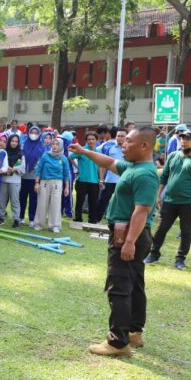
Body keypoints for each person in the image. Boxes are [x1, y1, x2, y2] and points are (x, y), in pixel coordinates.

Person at [68, 127, 159, 357]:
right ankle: (134, 332)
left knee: (118, 287)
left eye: (128, 141)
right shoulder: (134, 167)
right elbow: (109, 162)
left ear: (144, 146)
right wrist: (84, 151)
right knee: (135, 284)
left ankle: (118, 342)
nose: (123, 145)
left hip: (128, 235)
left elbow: (141, 211)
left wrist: (129, 242)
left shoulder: (145, 174)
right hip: (130, 235)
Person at [144, 129, 191, 270]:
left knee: (186, 232)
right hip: (169, 200)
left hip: (189, 202)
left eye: (187, 139)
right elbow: (164, 177)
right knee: (161, 229)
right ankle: (154, 254)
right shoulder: (173, 156)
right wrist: (158, 196)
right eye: (182, 138)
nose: (183, 141)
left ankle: (180, 259)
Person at [33, 137, 70, 233]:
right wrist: (37, 183)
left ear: (61, 146)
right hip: (44, 182)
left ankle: (54, 225)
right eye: (53, 144)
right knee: (42, 203)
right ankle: (38, 224)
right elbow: (39, 170)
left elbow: (66, 174)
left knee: (56, 204)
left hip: (58, 183)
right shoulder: (45, 156)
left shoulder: (63, 158)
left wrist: (67, 187)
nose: (54, 146)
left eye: (57, 144)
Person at [70, 131, 101, 223]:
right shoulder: (82, 150)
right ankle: (78, 219)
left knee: (93, 202)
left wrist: (101, 179)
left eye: (93, 139)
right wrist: (77, 167)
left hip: (95, 181)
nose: (91, 141)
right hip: (82, 180)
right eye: (89, 139)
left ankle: (92, 220)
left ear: (96, 140)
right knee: (80, 201)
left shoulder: (99, 151)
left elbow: (100, 166)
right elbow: (71, 157)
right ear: (86, 141)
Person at [97, 128, 127, 220]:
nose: (120, 138)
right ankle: (96, 219)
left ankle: (119, 220)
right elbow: (103, 165)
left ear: (126, 137)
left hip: (124, 180)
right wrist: (101, 179)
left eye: (122, 136)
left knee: (122, 202)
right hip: (110, 180)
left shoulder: (130, 150)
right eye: (118, 136)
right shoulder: (110, 148)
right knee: (103, 200)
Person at [0, 134, 25, 226]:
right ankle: (0, 217)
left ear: (18, 143)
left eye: (16, 141)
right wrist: (6, 169)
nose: (14, 143)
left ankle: (16, 219)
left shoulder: (20, 154)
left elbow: (23, 167)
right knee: (1, 200)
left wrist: (13, 169)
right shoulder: (4, 152)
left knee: (15, 200)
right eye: (12, 141)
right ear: (9, 142)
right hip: (4, 179)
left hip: (15, 181)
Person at [19, 125, 44, 227]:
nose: (34, 134)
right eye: (32, 132)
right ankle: (20, 217)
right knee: (22, 198)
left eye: (36, 133)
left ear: (39, 134)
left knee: (33, 199)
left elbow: (41, 162)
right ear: (28, 133)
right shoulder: (23, 144)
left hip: (35, 177)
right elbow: (20, 158)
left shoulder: (41, 146)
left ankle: (32, 219)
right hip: (23, 176)